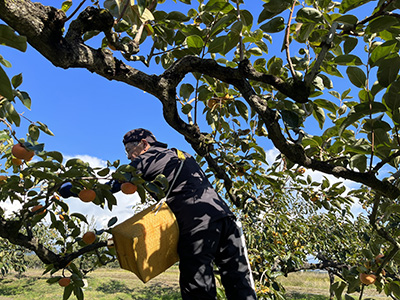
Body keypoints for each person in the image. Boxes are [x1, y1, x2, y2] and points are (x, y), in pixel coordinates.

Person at [121, 128, 257, 300]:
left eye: (129, 151)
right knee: (240, 284)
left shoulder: (147, 159)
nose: (128, 157)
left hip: (197, 225)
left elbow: (116, 182)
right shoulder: (181, 154)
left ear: (144, 144)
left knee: (198, 289)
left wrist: (78, 188)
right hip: (226, 220)